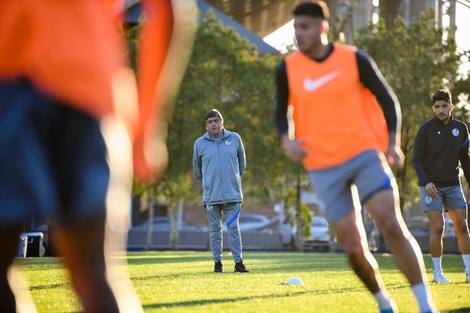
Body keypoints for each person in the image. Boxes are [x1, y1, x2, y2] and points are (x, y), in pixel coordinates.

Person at [0, 0, 196, 312]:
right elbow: (168, 9)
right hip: (90, 89)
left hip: (11, 83)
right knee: (93, 269)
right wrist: (147, 126)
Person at [274, 2, 437, 313]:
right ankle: (383, 302)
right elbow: (280, 113)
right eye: (295, 28)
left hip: (363, 154)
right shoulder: (287, 68)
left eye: (304, 27)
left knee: (390, 221)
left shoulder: (354, 58)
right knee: (352, 246)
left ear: (322, 28)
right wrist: (287, 139)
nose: (298, 34)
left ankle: (425, 305)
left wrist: (393, 143)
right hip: (322, 166)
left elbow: (387, 100)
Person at [412, 89, 470, 284]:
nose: (441, 110)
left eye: (444, 106)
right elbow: (416, 159)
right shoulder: (425, 129)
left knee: (462, 225)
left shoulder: (461, 128)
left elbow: (465, 158)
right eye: (437, 107)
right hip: (431, 186)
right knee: (438, 227)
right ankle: (437, 273)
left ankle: (469, 271)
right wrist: (426, 181)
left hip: (453, 184)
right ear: (433, 108)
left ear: (451, 106)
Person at [193, 109, 249, 273]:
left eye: (215, 121)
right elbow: (197, 170)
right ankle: (218, 263)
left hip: (232, 196)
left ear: (221, 122)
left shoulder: (235, 138)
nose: (213, 124)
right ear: (206, 126)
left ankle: (238, 263)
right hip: (211, 198)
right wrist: (208, 184)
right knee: (215, 231)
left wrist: (233, 180)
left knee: (233, 229)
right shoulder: (200, 144)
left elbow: (242, 165)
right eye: (209, 122)